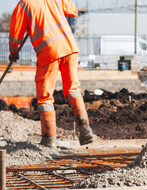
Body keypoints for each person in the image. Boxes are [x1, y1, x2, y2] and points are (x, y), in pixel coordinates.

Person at [9, 0, 95, 148]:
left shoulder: (24, 5)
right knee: (73, 89)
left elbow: (15, 35)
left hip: (49, 51)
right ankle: (85, 129)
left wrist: (13, 52)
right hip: (70, 47)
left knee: (45, 97)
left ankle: (49, 139)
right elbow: (73, 10)